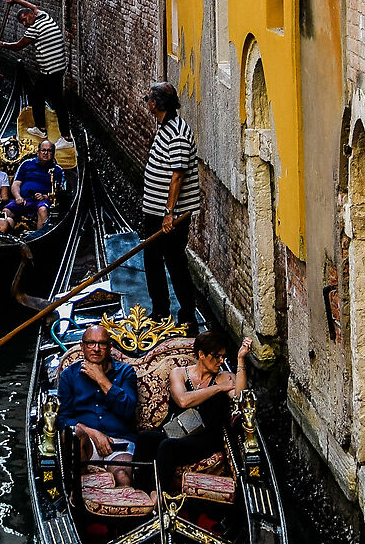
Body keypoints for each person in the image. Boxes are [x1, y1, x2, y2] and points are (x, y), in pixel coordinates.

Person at [141, 82, 201, 332]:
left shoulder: (176, 133)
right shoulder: (166, 127)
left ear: (155, 104)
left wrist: (168, 213)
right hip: (157, 212)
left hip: (169, 216)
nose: (147, 104)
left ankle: (186, 316)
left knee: (174, 263)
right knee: (153, 259)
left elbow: (178, 175)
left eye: (148, 100)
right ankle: (161, 311)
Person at [159, 327, 251, 479]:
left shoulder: (224, 377)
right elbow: (183, 401)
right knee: (145, 439)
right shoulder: (179, 373)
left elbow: (241, 398)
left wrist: (241, 359)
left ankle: (159, 494)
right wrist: (218, 388)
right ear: (201, 354)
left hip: (204, 440)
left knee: (166, 447)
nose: (221, 361)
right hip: (177, 432)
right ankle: (136, 492)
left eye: (223, 357)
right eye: (216, 356)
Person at [57, 319, 141, 468]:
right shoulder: (68, 375)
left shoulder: (126, 372)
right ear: (82, 346)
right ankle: (76, 488)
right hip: (85, 442)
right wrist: (93, 433)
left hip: (119, 443)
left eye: (102, 344)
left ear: (109, 347)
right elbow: (63, 419)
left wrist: (101, 379)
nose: (96, 348)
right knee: (73, 434)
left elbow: (128, 410)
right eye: (91, 343)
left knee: (122, 475)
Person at [0, 0, 65, 119]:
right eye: (21, 22)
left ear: (31, 15)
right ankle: (61, 131)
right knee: (56, 98)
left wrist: (2, 44)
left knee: (37, 96)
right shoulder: (44, 16)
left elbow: (17, 46)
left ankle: (42, 129)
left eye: (24, 20)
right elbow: (33, 7)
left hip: (50, 70)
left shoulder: (33, 29)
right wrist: (16, 0)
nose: (24, 24)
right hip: (60, 66)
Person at [10, 134, 63, 229]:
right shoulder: (26, 164)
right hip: (23, 200)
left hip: (42, 202)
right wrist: (18, 197)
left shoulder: (57, 170)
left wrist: (45, 196)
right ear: (38, 152)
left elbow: (59, 192)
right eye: (43, 150)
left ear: (53, 153)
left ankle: (39, 239)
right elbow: (16, 184)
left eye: (49, 151)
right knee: (6, 211)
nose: (45, 153)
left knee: (42, 210)